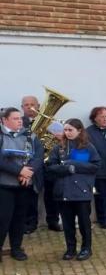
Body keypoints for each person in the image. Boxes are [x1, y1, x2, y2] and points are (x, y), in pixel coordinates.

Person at [46, 118, 99, 261]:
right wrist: (65, 168)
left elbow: (95, 166)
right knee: (67, 222)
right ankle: (70, 248)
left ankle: (86, 248)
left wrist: (74, 165)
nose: (68, 133)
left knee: (84, 222)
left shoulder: (87, 147)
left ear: (79, 131)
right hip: (63, 191)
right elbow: (50, 167)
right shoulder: (59, 148)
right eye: (66, 130)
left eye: (71, 130)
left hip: (81, 191)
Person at [0, 107, 43, 262]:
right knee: (3, 219)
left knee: (19, 218)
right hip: (4, 186)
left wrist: (29, 172)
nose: (20, 121)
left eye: (20, 118)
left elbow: (38, 155)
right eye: (15, 119)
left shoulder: (30, 135)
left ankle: (16, 248)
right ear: (4, 120)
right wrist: (20, 171)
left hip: (24, 185)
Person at [18, 96, 42, 233]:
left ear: (38, 106)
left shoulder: (48, 123)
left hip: (42, 165)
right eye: (26, 104)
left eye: (32, 104)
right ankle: (26, 224)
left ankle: (37, 222)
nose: (29, 107)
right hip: (25, 166)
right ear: (22, 108)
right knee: (25, 197)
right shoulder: (19, 122)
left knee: (37, 196)